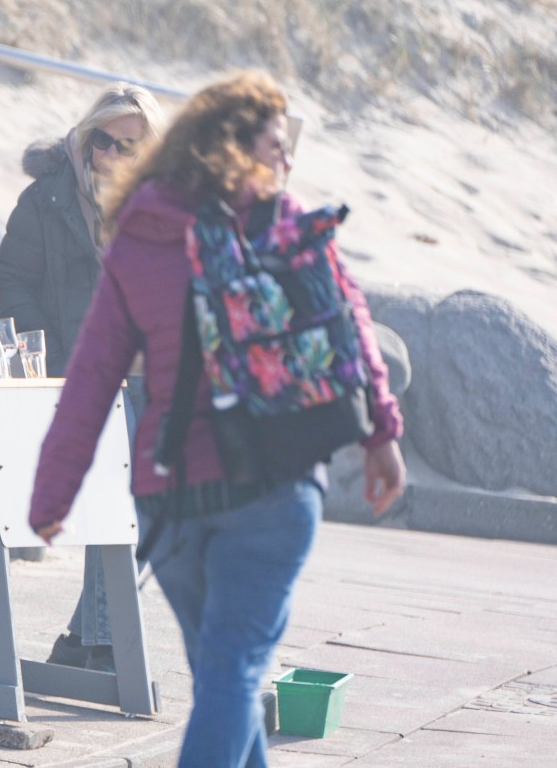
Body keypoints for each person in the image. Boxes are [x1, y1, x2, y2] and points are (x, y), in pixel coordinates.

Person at [29, 71, 405, 767]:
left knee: (222, 679)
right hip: (273, 486)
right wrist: (382, 434)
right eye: (275, 144)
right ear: (232, 148)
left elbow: (91, 379)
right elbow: (353, 329)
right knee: (233, 678)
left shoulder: (138, 238)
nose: (287, 160)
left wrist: (52, 495)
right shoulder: (286, 226)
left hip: (173, 498)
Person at [0, 82, 164, 672]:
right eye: (103, 141)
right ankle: (100, 645)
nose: (112, 155)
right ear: (86, 139)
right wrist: (53, 352)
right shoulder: (48, 201)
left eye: (129, 147)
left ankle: (84, 638)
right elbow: (9, 283)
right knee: (120, 504)